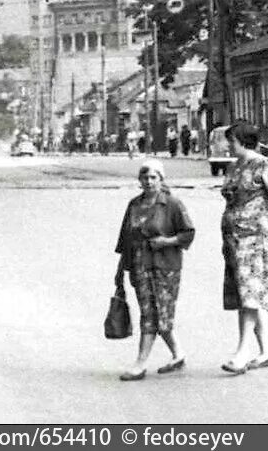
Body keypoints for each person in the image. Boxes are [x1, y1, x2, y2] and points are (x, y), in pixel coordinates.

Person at [219, 121, 268, 374]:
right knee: (246, 293)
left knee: (249, 294)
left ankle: (241, 352)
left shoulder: (264, 166)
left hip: (257, 239)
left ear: (242, 140)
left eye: (231, 140)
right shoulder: (235, 166)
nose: (228, 145)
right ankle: (267, 351)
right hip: (235, 240)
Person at [113, 160, 195, 380]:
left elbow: (188, 233)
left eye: (153, 178)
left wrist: (166, 241)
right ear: (139, 180)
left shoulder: (172, 204)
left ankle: (140, 363)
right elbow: (125, 239)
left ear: (161, 179)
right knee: (152, 313)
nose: (149, 182)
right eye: (145, 178)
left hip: (165, 268)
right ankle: (178, 354)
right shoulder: (134, 205)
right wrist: (121, 271)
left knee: (156, 314)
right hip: (139, 266)